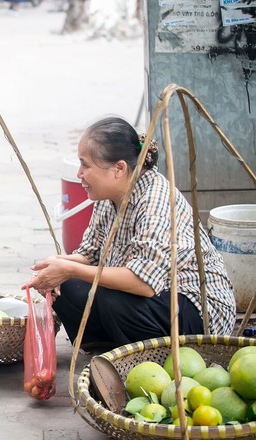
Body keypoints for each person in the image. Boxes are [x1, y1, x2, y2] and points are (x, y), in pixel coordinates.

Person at [23, 116, 236, 350]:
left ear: (119, 168)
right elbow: (91, 255)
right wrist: (57, 266)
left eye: (85, 165)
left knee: (114, 300)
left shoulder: (156, 199)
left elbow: (143, 283)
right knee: (66, 286)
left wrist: (70, 268)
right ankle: (108, 346)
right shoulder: (108, 196)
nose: (79, 174)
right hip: (146, 298)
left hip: (195, 308)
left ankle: (154, 356)